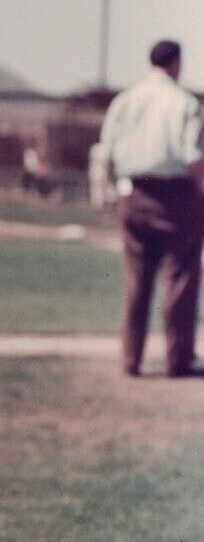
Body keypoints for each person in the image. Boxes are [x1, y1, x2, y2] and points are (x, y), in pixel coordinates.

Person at [98, 40, 204, 377]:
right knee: (179, 280)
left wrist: (117, 192)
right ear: (175, 63)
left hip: (134, 195)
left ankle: (131, 359)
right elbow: (193, 157)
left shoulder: (125, 100)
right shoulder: (186, 103)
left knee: (137, 282)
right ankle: (177, 359)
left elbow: (107, 154)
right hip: (177, 197)